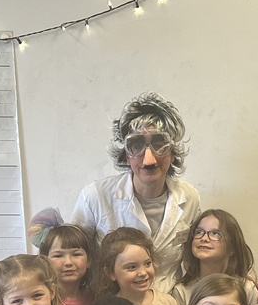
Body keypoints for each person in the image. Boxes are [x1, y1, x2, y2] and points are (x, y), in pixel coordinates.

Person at [72, 92, 201, 293]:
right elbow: (72, 258)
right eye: (136, 146)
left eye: (159, 144)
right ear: (125, 153)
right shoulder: (95, 197)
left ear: (173, 151)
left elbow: (201, 256)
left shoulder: (190, 198)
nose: (149, 160)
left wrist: (240, 280)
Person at [171, 209, 258, 305]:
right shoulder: (182, 291)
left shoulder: (246, 288)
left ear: (232, 247)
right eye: (199, 232)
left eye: (215, 233)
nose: (204, 238)